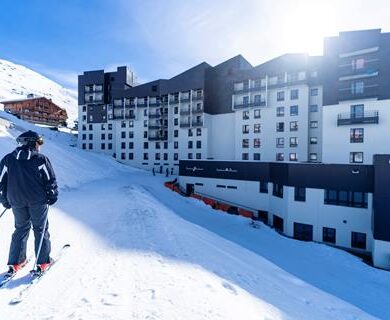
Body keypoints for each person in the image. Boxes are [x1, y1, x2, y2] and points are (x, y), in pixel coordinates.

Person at [0, 130, 58, 274]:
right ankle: (43, 262)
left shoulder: (8, 159)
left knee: (20, 229)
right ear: (32, 142)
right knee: (40, 229)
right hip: (38, 201)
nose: (40, 146)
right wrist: (52, 196)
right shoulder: (40, 159)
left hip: (16, 201)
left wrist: (4, 199)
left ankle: (16, 262)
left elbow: (1, 181)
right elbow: (49, 180)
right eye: (39, 142)